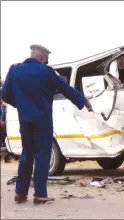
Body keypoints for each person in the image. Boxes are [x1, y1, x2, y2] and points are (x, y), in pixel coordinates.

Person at [1, 44, 93, 205]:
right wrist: (83, 101)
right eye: (47, 59)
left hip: (25, 119)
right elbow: (66, 89)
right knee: (42, 155)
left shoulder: (14, 70)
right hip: (43, 120)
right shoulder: (47, 72)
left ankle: (20, 193)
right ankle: (40, 194)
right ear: (42, 57)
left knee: (26, 154)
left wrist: (22, 106)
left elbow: (5, 95)